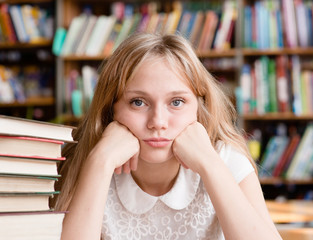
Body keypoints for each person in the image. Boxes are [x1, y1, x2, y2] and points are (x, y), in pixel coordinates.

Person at [54, 33, 282, 240]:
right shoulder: (83, 163)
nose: (158, 122)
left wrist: (210, 165)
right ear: (110, 109)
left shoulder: (226, 161)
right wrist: (99, 162)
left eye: (176, 102)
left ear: (199, 107)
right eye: (138, 102)